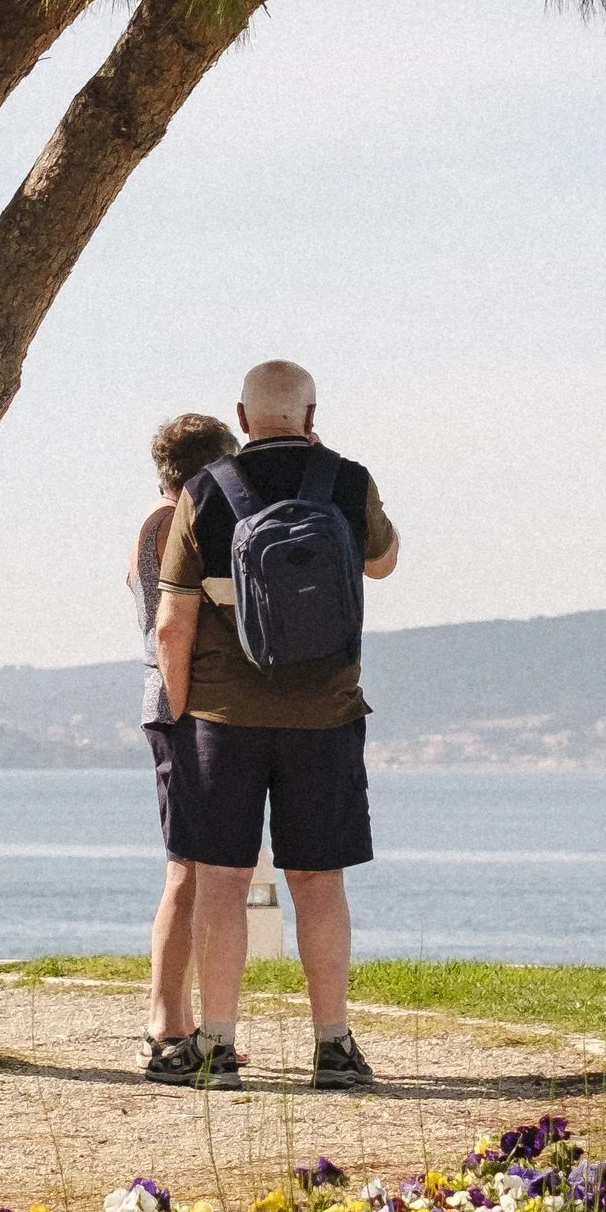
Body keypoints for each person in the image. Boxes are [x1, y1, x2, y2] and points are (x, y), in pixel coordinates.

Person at [155, 358, 399, 1087]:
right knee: (318, 882)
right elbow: (383, 563)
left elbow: (172, 622)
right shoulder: (348, 480)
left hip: (222, 719)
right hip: (324, 714)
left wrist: (179, 712)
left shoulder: (204, 491)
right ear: (311, 415)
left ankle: (218, 1047)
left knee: (222, 882)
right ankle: (333, 1047)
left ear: (241, 417)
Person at [130, 412, 240, 1081]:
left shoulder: (166, 518)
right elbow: (173, 625)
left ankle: (183, 1023)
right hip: (181, 704)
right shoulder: (173, 522)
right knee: (187, 871)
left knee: (198, 871)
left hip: (180, 702)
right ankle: (167, 1025)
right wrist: (185, 706)